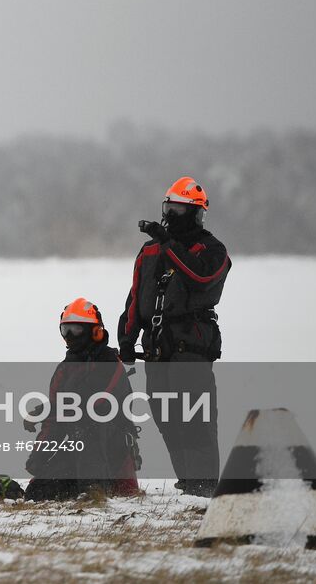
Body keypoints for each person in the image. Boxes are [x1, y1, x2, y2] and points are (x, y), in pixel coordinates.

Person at [116, 176, 231, 497]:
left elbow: (201, 276)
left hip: (191, 346)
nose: (172, 214)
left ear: (196, 213)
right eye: (170, 207)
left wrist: (168, 243)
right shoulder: (150, 249)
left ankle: (205, 483)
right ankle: (188, 481)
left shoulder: (211, 248)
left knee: (194, 417)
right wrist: (126, 339)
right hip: (156, 349)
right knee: (167, 418)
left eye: (180, 209)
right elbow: (136, 296)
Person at [24, 297, 141, 500]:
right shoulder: (64, 370)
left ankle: (94, 490)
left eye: (76, 330)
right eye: (65, 330)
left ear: (95, 332)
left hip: (112, 452)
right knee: (37, 492)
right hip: (77, 452)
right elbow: (55, 422)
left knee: (85, 429)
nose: (69, 336)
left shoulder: (110, 363)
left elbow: (92, 405)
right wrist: (39, 457)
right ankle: (82, 488)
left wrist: (46, 409)